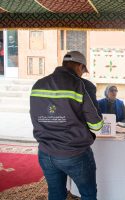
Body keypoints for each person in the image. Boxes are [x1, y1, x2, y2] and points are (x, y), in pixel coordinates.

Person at [30, 51, 103, 200]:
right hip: (74, 154)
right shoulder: (79, 85)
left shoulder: (39, 84)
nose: (82, 74)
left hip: (45, 153)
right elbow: (96, 125)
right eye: (83, 71)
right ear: (80, 67)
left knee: (56, 194)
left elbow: (36, 117)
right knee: (88, 194)